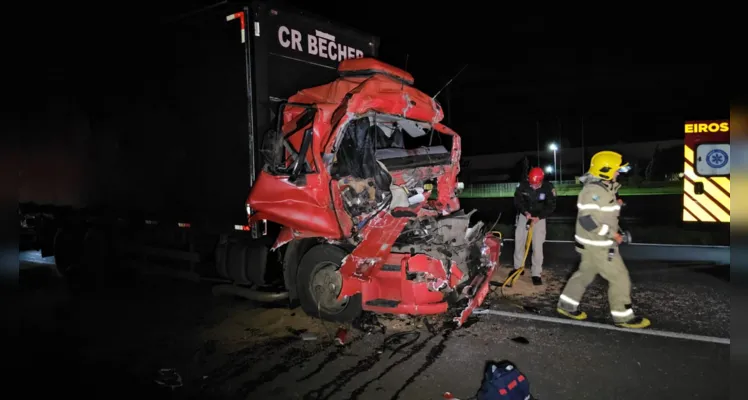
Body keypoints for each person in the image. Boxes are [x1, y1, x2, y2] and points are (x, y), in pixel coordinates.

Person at [556, 150, 651, 329]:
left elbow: (601, 210)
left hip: (591, 244)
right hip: (599, 245)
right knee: (620, 278)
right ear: (605, 171)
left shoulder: (604, 188)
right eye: (617, 170)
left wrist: (616, 205)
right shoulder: (593, 191)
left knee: (584, 274)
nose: (618, 173)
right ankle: (623, 317)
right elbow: (588, 220)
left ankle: (566, 306)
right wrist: (612, 235)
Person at [512, 167, 556, 285]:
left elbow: (551, 205)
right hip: (524, 216)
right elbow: (517, 201)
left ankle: (536, 273)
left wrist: (539, 217)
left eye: (536, 185)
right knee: (519, 241)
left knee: (537, 246)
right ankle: (518, 268)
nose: (533, 186)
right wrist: (525, 212)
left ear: (541, 181)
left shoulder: (548, 188)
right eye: (531, 184)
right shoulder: (522, 185)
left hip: (539, 219)